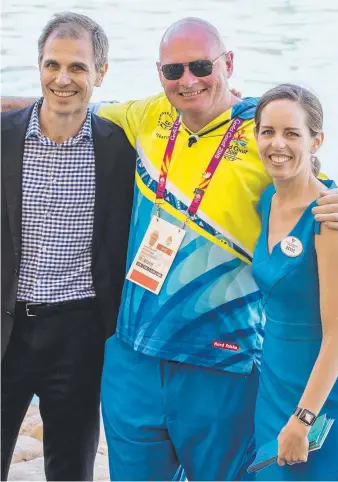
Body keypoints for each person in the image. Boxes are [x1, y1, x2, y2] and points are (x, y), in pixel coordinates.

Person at [2, 17, 338, 481]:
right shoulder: (147, 115)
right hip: (133, 352)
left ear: (228, 62)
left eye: (201, 66)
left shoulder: (261, 131)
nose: (188, 81)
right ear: (158, 74)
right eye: (173, 71)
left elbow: (307, 172)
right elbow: (68, 102)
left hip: (221, 358)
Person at [1, 12, 135, 481]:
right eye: (51, 65)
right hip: (6, 326)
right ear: (38, 66)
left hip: (80, 334)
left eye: (77, 67)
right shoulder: (4, 137)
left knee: (71, 470)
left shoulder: (121, 148)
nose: (62, 78)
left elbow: (196, 116)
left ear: (101, 72)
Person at [252, 83, 338, 480]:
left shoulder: (330, 217)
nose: (278, 144)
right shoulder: (265, 201)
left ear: (316, 140)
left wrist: (304, 419)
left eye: (292, 133)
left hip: (319, 396)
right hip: (272, 381)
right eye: (268, 131)